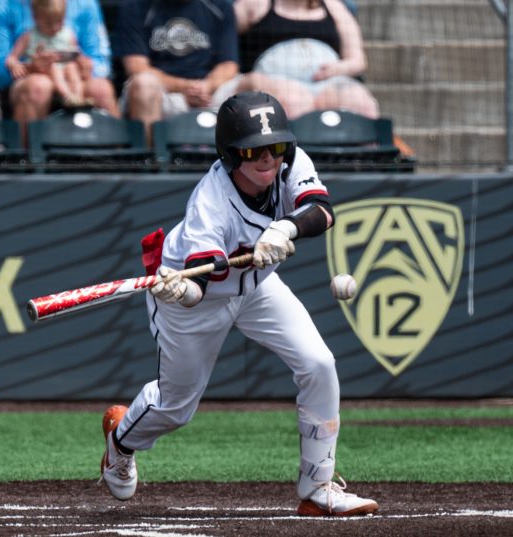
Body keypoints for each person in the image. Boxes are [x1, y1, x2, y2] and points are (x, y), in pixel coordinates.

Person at [99, 90, 379, 517]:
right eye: (253, 150)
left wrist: (286, 228)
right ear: (231, 155)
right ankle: (121, 440)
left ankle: (318, 487)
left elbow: (321, 210)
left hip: (258, 288)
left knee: (319, 363)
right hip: (194, 298)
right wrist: (181, 292)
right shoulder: (209, 203)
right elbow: (199, 284)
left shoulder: (290, 163)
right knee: (176, 408)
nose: (267, 158)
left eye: (275, 147)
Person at [0, 0, 119, 143]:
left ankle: (120, 154)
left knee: (101, 89)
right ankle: (25, 155)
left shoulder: (86, 4)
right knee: (38, 86)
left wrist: (85, 67)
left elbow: (101, 63)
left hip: (73, 76)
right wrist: (31, 68)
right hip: (26, 81)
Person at [113, 0, 240, 143]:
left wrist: (207, 86)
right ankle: (152, 156)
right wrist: (185, 87)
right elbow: (136, 67)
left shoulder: (220, 6)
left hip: (209, 91)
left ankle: (245, 156)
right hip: (165, 94)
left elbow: (228, 65)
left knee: (255, 83)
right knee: (143, 84)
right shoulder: (135, 6)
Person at [233, 0, 379, 120]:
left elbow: (357, 60)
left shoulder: (335, 7)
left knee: (359, 102)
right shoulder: (254, 5)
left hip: (327, 83)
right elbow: (224, 36)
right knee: (292, 102)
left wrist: (337, 69)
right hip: (272, 83)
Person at [5, 0, 89, 108]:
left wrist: (83, 62)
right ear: (35, 18)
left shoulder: (68, 34)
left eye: (59, 21)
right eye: (48, 23)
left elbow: (77, 54)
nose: (54, 27)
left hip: (65, 71)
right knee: (53, 67)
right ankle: (67, 97)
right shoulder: (28, 37)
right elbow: (11, 58)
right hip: (43, 73)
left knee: (72, 67)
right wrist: (14, 65)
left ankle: (78, 98)